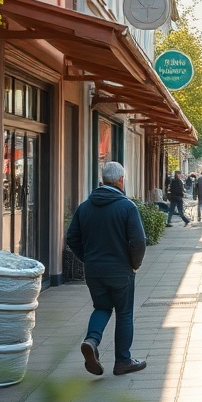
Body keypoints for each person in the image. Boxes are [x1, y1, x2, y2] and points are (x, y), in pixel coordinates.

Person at [65, 161, 147, 376]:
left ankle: (91, 340)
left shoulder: (85, 207)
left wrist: (87, 258)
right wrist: (134, 264)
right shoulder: (127, 207)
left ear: (103, 180)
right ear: (121, 180)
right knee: (124, 314)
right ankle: (123, 361)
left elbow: (72, 237)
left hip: (94, 270)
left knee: (101, 307)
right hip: (120, 270)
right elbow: (138, 241)